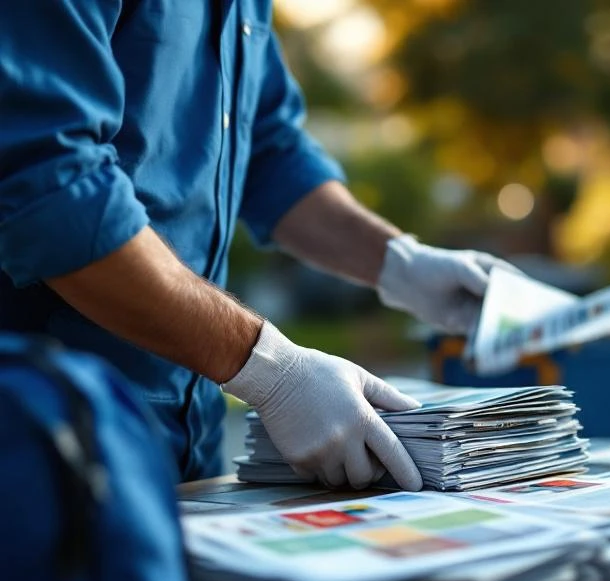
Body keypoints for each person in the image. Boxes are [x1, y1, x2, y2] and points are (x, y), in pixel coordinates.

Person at [0, 2, 512, 490]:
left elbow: (268, 150)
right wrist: (274, 371)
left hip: (184, 449)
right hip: (39, 440)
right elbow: (51, 191)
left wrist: (399, 261)